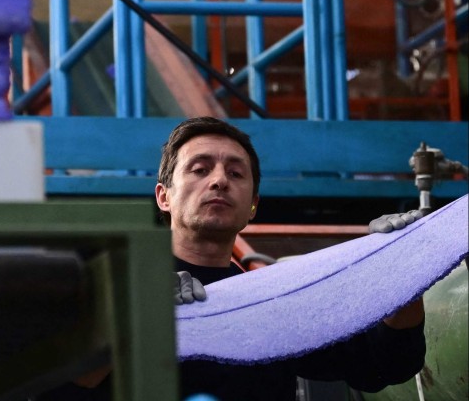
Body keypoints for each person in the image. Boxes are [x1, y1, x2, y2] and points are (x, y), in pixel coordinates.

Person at [37, 116, 426, 401]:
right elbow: (52, 389)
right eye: (200, 169)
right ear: (163, 197)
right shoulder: (104, 283)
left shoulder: (270, 299)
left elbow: (382, 364)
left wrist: (406, 266)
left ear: (253, 205)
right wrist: (138, 314)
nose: (220, 180)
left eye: (236, 173)